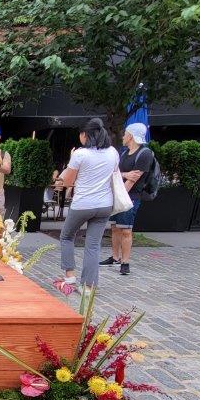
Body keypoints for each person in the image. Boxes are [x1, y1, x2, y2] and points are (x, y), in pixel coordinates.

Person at [55, 118, 118, 294]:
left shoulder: (80, 154)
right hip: (105, 204)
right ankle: (88, 286)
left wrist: (70, 161)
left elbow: (68, 182)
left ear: (85, 135)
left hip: (83, 203)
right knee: (93, 245)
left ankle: (69, 275)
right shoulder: (113, 152)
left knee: (67, 236)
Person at [100, 123, 151, 275]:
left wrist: (120, 197)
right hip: (120, 195)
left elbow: (133, 179)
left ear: (131, 136)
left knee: (126, 230)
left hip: (130, 197)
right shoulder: (124, 153)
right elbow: (115, 172)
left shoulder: (145, 154)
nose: (123, 136)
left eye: (125, 134)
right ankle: (115, 257)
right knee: (115, 227)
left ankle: (125, 262)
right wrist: (124, 175)